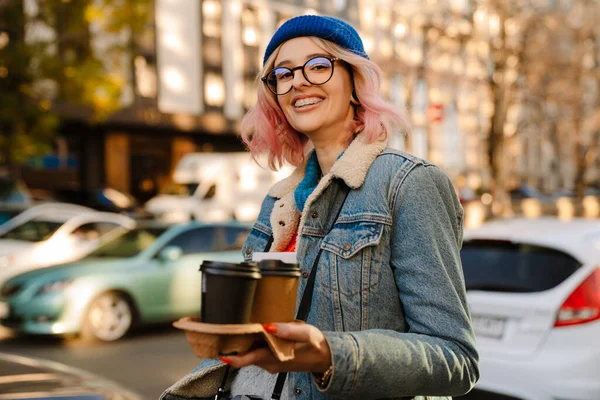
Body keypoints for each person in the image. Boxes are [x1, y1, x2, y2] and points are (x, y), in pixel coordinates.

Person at [162, 15, 478, 400]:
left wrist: (330, 355)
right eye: (283, 73)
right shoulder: (278, 200)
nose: (298, 81)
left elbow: (455, 358)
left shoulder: (408, 184)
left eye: (318, 65)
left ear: (354, 82)